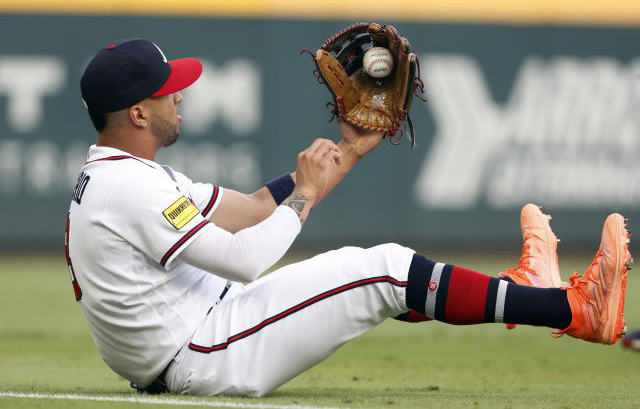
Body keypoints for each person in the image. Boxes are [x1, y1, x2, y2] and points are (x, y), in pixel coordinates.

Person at [66, 38, 631, 397]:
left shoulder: (125, 176)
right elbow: (243, 259)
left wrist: (349, 151)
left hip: (202, 323)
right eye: (168, 92)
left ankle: (525, 290)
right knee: (382, 271)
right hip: (199, 353)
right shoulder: (130, 188)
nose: (180, 97)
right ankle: (573, 308)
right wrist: (306, 195)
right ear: (138, 112)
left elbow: (256, 212)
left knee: (368, 275)